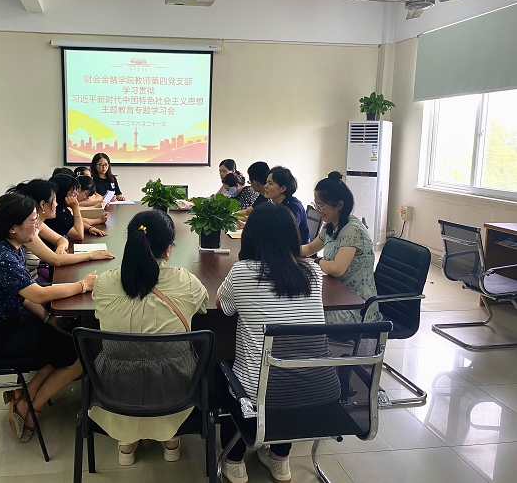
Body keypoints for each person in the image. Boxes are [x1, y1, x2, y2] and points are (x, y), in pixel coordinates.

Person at [0, 193, 96, 443]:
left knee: (67, 336)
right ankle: (32, 407)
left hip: (8, 321)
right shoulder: (0, 255)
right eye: (33, 220)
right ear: (13, 228)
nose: (38, 224)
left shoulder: (10, 247)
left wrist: (48, 319)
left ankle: (25, 395)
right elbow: (37, 293)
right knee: (81, 349)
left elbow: (22, 295)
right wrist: (82, 285)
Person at [216, 203, 335, 483]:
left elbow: (224, 306)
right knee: (288, 366)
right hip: (317, 388)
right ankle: (280, 459)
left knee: (222, 370)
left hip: (263, 394)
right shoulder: (313, 272)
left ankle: (234, 460)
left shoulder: (243, 271)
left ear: (251, 237)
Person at [91, 210, 208, 466]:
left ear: (130, 243)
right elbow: (202, 307)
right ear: (168, 250)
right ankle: (170, 437)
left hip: (114, 391)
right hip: (175, 391)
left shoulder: (104, 283)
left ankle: (126, 440)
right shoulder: (186, 281)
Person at [301, 171, 379, 324]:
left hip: (356, 307)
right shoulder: (330, 226)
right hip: (338, 295)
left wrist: (316, 261)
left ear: (339, 205)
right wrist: (284, 250)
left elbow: (337, 269)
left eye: (321, 205)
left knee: (305, 315)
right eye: (316, 205)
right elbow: (309, 249)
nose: (317, 210)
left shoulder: (352, 229)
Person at [7, 179, 113, 283]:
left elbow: (61, 239)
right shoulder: (28, 231)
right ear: (43, 205)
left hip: (36, 281)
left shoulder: (39, 224)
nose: (56, 204)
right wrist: (91, 255)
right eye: (54, 200)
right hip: (33, 284)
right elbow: (56, 260)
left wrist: (61, 247)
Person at [46, 174, 107, 239]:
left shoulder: (63, 209)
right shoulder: (55, 213)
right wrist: (75, 208)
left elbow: (72, 222)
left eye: (76, 190)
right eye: (73, 192)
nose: (76, 194)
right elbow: (79, 235)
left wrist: (89, 228)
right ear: (62, 193)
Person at [263, 166, 310, 244]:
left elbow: (286, 234)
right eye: (266, 182)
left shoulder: (293, 207)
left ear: (283, 188)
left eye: (270, 183)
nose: (265, 186)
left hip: (297, 249)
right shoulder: (274, 204)